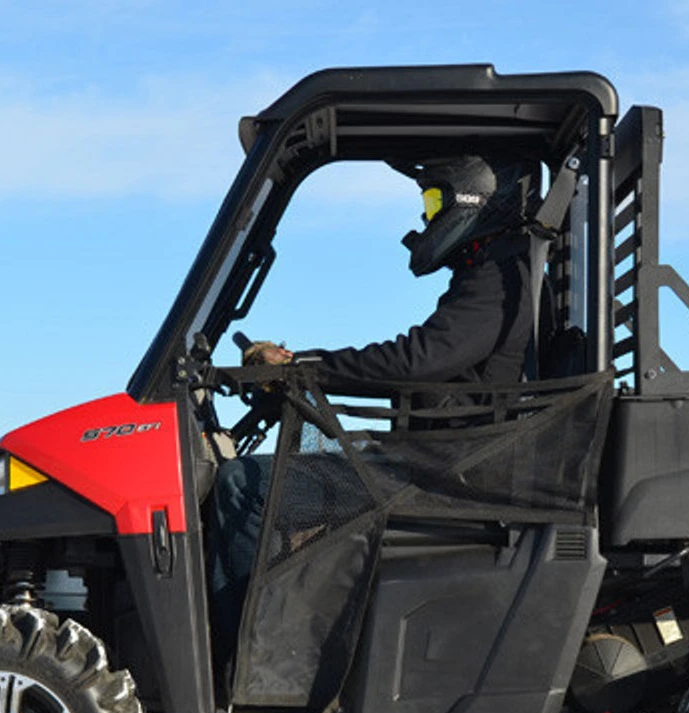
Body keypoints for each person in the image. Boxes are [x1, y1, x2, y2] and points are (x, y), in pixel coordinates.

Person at [206, 154, 542, 648]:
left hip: (436, 474)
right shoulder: (492, 271)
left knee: (240, 486)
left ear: (471, 204)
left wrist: (303, 367)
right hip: (432, 462)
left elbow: (418, 360)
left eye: (434, 202)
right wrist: (301, 367)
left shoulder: (496, 279)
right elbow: (421, 363)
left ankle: (256, 655)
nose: (427, 218)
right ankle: (285, 633)